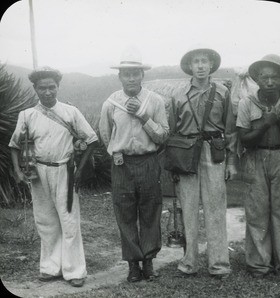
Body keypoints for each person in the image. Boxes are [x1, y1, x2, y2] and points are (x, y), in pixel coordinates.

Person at [9, 66, 98, 287]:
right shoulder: (27, 115)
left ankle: (75, 271)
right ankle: (50, 267)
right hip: (38, 173)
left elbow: (92, 140)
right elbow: (14, 145)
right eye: (42, 88)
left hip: (64, 171)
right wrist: (19, 171)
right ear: (35, 89)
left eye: (52, 87)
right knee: (45, 221)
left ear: (58, 87)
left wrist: (79, 170)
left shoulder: (70, 112)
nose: (48, 92)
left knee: (69, 221)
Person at [99, 48, 169, 282]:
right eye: (126, 74)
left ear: (142, 75)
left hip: (148, 162)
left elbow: (162, 135)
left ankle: (148, 262)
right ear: (119, 76)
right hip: (122, 165)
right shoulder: (111, 103)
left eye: (135, 74)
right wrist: (116, 151)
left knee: (150, 211)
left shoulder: (154, 100)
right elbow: (105, 134)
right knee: (125, 214)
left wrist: (143, 117)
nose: (131, 78)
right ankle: (132, 264)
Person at [168, 47, 237, 278]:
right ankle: (189, 263)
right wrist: (174, 164)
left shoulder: (222, 92)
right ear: (189, 66)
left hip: (213, 151)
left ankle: (219, 264)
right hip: (187, 153)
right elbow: (172, 131)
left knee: (216, 209)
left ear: (210, 65)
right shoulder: (178, 94)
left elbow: (230, 130)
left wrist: (230, 163)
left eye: (204, 61)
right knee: (188, 208)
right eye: (195, 62)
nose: (199, 66)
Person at [236, 54, 280, 278]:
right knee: (256, 212)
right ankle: (259, 265)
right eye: (264, 77)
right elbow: (245, 139)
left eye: (275, 77)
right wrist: (266, 123)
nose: (270, 82)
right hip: (255, 158)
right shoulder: (246, 103)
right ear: (257, 79)